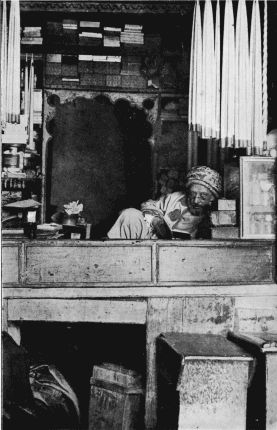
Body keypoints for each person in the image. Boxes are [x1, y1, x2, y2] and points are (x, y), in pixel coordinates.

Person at [107, 166, 223, 240]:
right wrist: (156, 220)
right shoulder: (176, 198)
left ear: (212, 198)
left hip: (186, 256)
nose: (196, 200)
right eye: (193, 194)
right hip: (153, 243)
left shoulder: (216, 215)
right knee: (130, 214)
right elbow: (149, 204)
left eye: (203, 196)